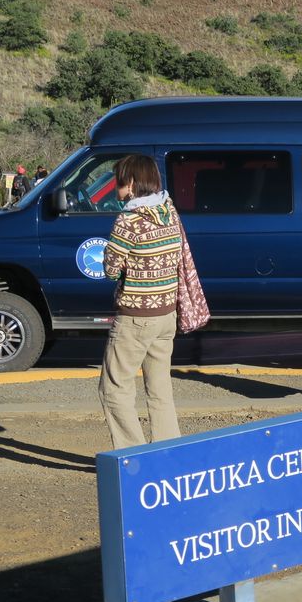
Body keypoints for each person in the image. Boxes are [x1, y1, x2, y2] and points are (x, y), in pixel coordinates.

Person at [98, 154, 183, 449]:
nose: (116, 187)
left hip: (136, 317)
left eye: (119, 181)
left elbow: (110, 269)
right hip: (166, 314)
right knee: (160, 390)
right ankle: (167, 454)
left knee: (114, 389)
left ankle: (132, 456)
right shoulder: (169, 210)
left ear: (132, 183)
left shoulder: (129, 220)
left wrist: (117, 259)